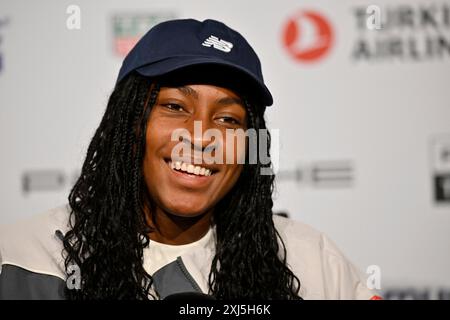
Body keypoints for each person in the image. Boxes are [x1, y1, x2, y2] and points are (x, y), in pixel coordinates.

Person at [0, 18, 380, 300]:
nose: (201, 136)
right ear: (128, 124)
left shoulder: (310, 259)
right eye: (174, 106)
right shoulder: (20, 259)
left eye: (228, 118)